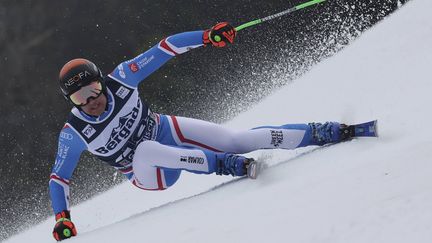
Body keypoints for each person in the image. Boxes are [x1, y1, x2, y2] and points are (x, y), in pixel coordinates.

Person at [49, 22, 353, 241]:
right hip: (149, 171)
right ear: (71, 103)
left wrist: (208, 37)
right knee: (144, 149)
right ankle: (221, 165)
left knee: (237, 140)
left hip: (164, 130)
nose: (91, 101)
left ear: (101, 81)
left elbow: (165, 48)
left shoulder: (123, 78)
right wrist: (63, 219)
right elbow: (58, 179)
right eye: (79, 98)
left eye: (93, 89)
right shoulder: (74, 133)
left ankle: (322, 132)